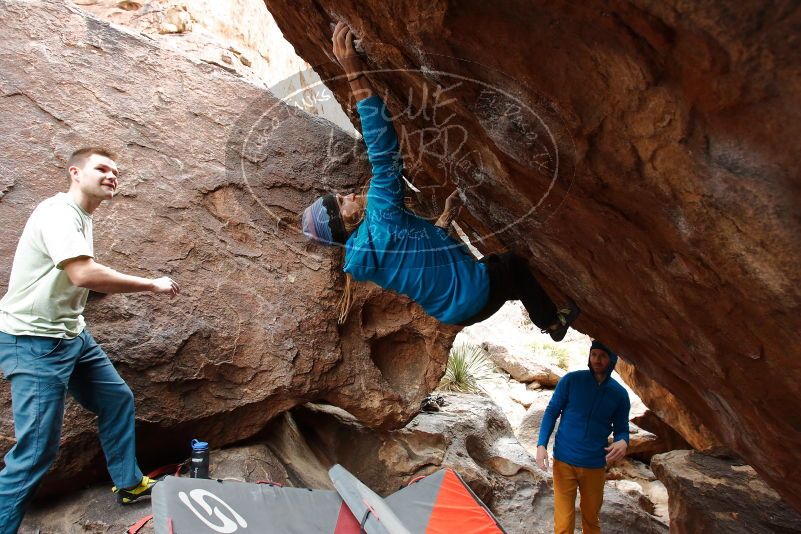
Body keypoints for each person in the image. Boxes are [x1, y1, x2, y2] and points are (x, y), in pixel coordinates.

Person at [301, 22, 579, 338]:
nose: (349, 195)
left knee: (494, 269)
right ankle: (552, 324)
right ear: (347, 218)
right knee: (512, 266)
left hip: (455, 312)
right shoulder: (380, 217)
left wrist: (445, 218)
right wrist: (353, 72)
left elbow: (419, 255)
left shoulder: (364, 254)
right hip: (473, 294)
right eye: (341, 201)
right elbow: (383, 152)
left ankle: (525, 300)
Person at [0, 148, 180, 533]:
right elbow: (83, 273)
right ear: (74, 173)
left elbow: (70, 275)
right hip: (32, 342)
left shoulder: (82, 216)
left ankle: (129, 483)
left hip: (71, 335)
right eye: (101, 168)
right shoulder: (58, 213)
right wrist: (151, 284)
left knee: (117, 399)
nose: (111, 175)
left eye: (116, 171)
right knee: (34, 454)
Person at [535, 341, 630, 534]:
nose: (597, 359)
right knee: (563, 523)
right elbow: (552, 411)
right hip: (564, 461)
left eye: (602, 356)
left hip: (594, 464)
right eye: (594, 354)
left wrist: (623, 440)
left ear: (611, 359)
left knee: (591, 518)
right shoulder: (571, 380)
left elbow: (622, 428)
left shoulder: (619, 395)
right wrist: (541, 444)